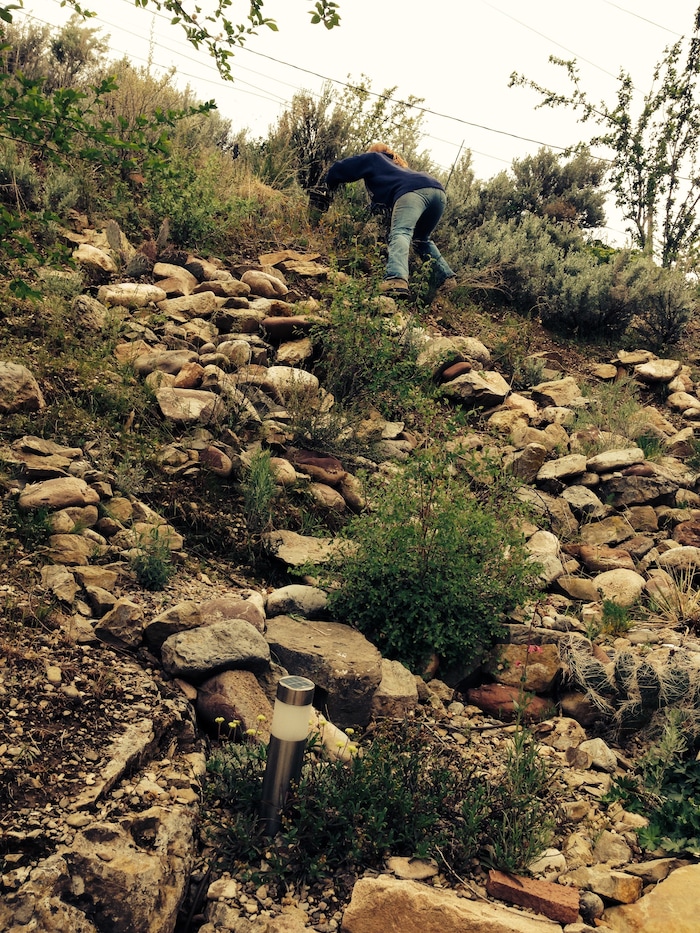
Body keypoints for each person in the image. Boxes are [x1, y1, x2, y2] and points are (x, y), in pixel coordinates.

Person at [324, 143, 457, 298]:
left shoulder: (375, 158)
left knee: (401, 231)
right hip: (437, 193)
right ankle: (447, 278)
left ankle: (397, 279)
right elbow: (381, 204)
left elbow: (343, 167)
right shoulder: (398, 169)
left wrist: (328, 182)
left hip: (412, 192)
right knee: (421, 239)